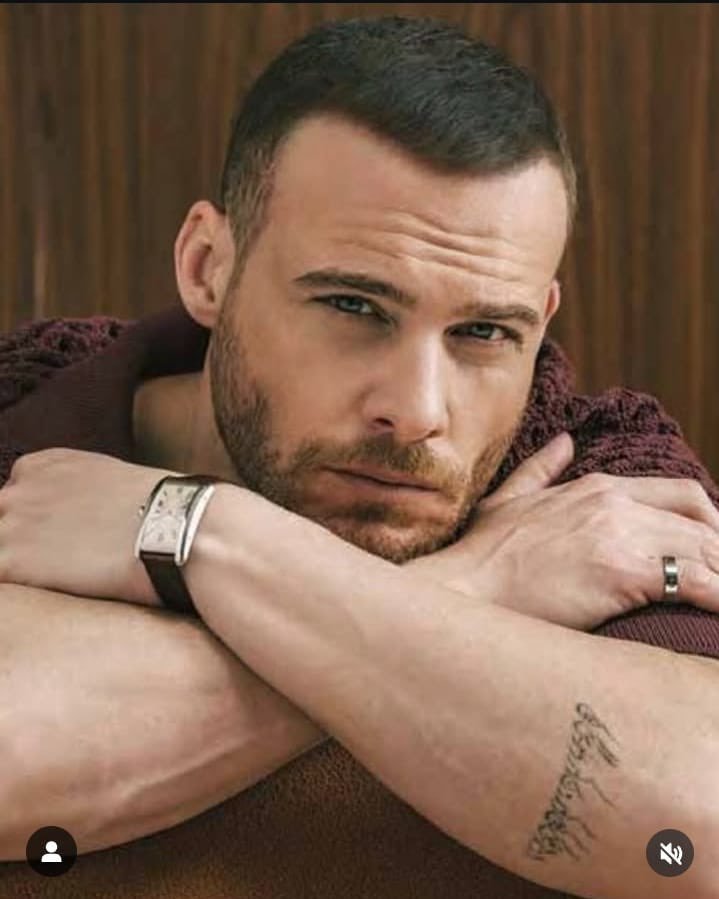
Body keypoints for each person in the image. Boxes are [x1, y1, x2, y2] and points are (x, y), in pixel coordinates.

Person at [1, 15, 718, 899]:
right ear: (206, 266)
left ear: (540, 317)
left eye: (484, 332)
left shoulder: (597, 480)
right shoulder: (24, 406)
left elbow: (695, 832)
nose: (416, 412)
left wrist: (200, 531)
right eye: (353, 306)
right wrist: (480, 583)